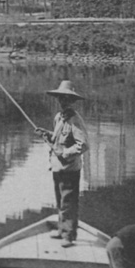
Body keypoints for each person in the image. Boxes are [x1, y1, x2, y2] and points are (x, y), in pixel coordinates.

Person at [33, 80, 88, 247]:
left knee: (68, 202)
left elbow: (83, 144)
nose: (63, 101)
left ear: (72, 101)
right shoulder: (59, 117)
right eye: (60, 98)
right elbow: (58, 139)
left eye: (66, 98)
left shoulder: (75, 120)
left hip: (70, 168)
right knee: (60, 200)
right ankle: (61, 229)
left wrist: (65, 153)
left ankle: (69, 235)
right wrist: (47, 134)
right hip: (57, 166)